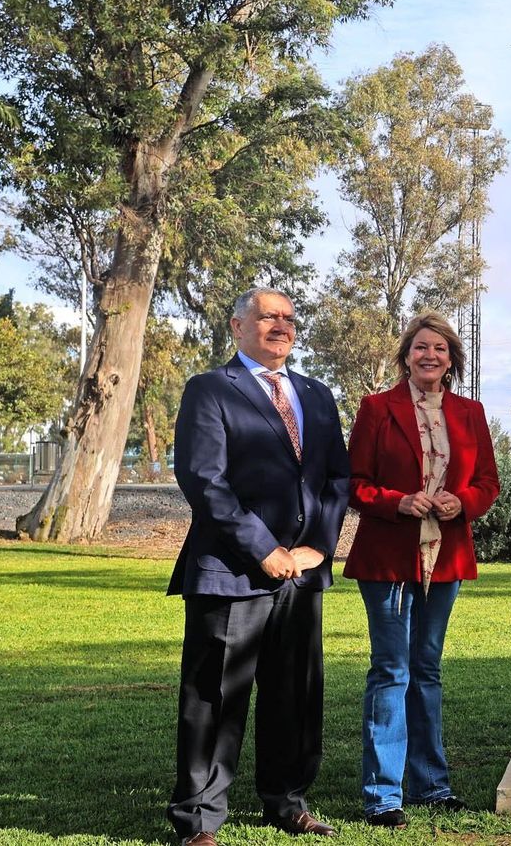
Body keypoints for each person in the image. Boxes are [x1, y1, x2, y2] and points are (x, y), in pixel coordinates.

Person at [166, 287, 350, 846]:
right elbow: (204, 479)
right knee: (215, 697)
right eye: (268, 316)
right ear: (237, 325)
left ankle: (287, 801)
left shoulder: (316, 394)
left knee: (295, 694)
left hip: (302, 573)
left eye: (289, 318)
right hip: (232, 570)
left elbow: (336, 479)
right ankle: (199, 819)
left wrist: (317, 547)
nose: (281, 325)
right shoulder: (209, 389)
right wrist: (264, 549)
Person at [343, 313, 499, 829]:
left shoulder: (471, 412)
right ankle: (383, 795)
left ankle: (432, 786)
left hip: (445, 558)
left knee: (426, 670)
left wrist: (464, 501)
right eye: (420, 347)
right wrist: (398, 501)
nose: (430, 355)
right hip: (388, 558)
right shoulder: (376, 408)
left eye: (440, 348)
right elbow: (354, 484)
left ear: (451, 359)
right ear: (406, 356)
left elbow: (488, 483)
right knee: (392, 671)